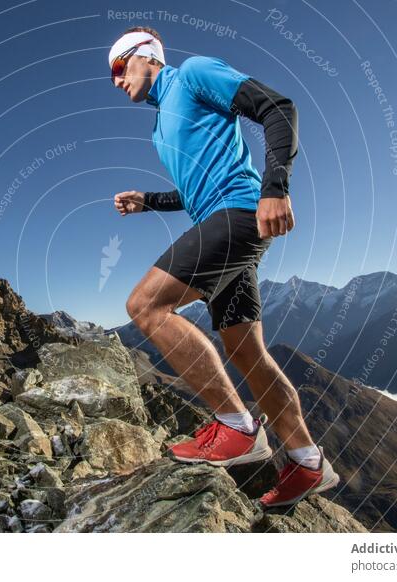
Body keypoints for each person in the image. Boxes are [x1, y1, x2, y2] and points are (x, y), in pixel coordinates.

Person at [109, 26, 339, 508]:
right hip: (221, 220)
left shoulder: (193, 74)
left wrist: (275, 187)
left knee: (145, 306)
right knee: (247, 352)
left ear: (145, 56)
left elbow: (278, 108)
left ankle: (236, 427)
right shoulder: (159, 126)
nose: (114, 81)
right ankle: (307, 461)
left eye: (118, 67)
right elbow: (192, 191)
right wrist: (148, 201)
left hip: (237, 214)